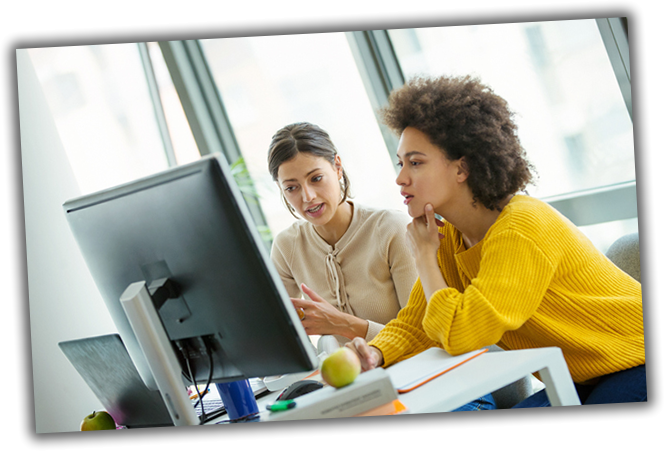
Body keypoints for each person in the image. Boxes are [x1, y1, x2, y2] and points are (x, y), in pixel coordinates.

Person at [346, 75, 646, 408]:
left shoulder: (521, 227)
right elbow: (417, 324)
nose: (401, 178)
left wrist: (424, 259)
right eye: (401, 163)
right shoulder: (449, 239)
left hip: (642, 362)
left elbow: (462, 335)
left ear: (462, 168)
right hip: (585, 378)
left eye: (416, 163)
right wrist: (374, 352)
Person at [267, 121, 496, 412]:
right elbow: (285, 345)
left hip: (439, 386)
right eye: (291, 188)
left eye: (316, 178)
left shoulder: (391, 229)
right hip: (369, 398)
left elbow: (428, 338)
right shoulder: (287, 247)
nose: (307, 197)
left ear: (337, 167)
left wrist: (346, 326)